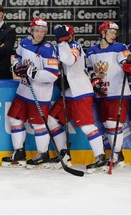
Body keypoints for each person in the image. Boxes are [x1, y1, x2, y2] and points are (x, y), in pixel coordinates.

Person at [47, 24, 107, 173]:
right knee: (51, 120)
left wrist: (62, 42)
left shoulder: (75, 45)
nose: (67, 39)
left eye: (67, 36)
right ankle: (64, 153)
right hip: (68, 94)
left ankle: (100, 157)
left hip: (81, 92)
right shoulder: (59, 47)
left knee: (87, 126)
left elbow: (68, 60)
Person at [1, 18, 59, 169]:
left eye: (43, 31)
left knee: (38, 125)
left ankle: (43, 154)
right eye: (37, 30)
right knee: (14, 118)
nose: (40, 34)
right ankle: (19, 152)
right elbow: (17, 59)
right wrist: (16, 68)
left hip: (40, 94)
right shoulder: (24, 43)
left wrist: (32, 72)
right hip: (23, 91)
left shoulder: (48, 48)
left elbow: (53, 75)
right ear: (31, 30)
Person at [86, 21, 131, 170]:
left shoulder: (120, 47)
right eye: (111, 32)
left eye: (115, 33)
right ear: (103, 33)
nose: (114, 35)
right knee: (106, 124)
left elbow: (126, 60)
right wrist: (94, 79)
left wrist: (127, 65)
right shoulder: (91, 51)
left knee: (114, 124)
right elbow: (89, 68)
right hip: (101, 94)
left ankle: (116, 154)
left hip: (118, 92)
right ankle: (118, 155)